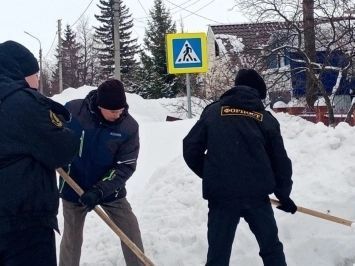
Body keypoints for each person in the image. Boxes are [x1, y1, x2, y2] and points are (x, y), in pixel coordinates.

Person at [183, 68, 297, 266]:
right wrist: (284, 195)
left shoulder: (213, 112)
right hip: (257, 197)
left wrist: (213, 173)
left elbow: (190, 148)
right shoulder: (266, 119)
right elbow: (280, 162)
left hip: (222, 197)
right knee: (271, 249)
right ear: (257, 94)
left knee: (218, 255)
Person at [0, 41, 79, 265]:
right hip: (23, 223)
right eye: (35, 74)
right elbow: (63, 150)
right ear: (21, 72)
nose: (37, 81)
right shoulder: (22, 102)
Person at [59, 79, 144, 266]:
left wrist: (98, 191)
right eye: (113, 111)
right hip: (74, 185)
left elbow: (125, 166)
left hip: (110, 190)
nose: (118, 114)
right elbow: (52, 132)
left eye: (121, 110)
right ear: (100, 105)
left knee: (130, 230)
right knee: (72, 239)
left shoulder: (128, 127)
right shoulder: (74, 111)